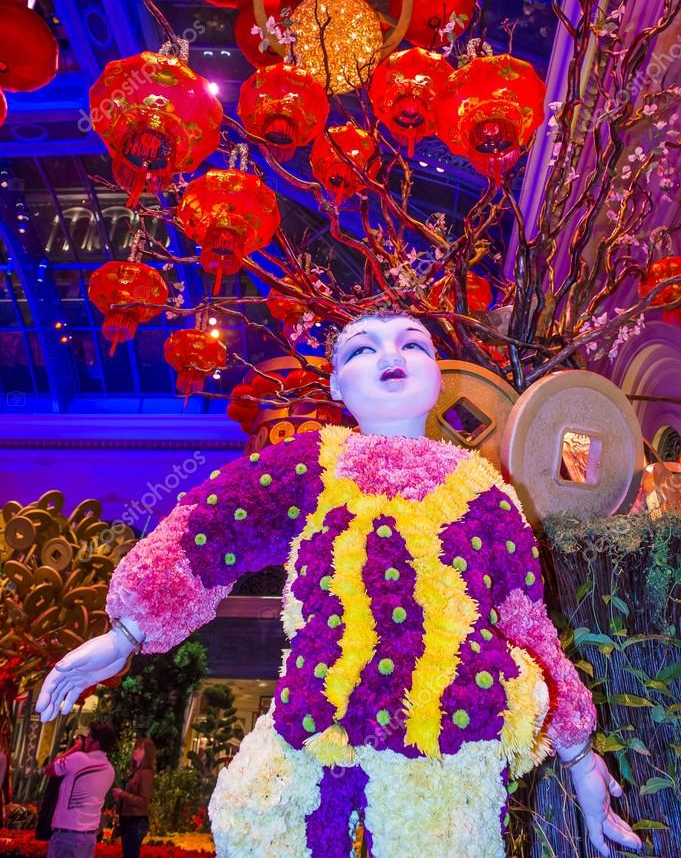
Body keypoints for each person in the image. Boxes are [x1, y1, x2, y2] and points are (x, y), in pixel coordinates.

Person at [36, 313, 642, 858]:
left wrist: (578, 754)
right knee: (256, 822)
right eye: (362, 349)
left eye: (412, 344)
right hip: (314, 712)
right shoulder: (310, 463)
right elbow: (210, 527)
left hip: (449, 727)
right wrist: (127, 632)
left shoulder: (485, 493)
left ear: (440, 375)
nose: (390, 356)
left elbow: (527, 624)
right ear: (334, 386)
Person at [44, 721, 116, 858]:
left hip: (67, 835)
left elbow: (49, 769)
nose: (85, 740)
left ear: (96, 743)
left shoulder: (78, 759)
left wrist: (75, 748)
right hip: (89, 837)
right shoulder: (110, 770)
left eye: (88, 737)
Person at [113, 737, 156, 858]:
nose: (136, 751)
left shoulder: (146, 773)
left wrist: (122, 794)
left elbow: (143, 801)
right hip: (128, 818)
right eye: (136, 747)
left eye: (140, 749)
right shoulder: (135, 772)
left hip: (136, 820)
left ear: (147, 753)